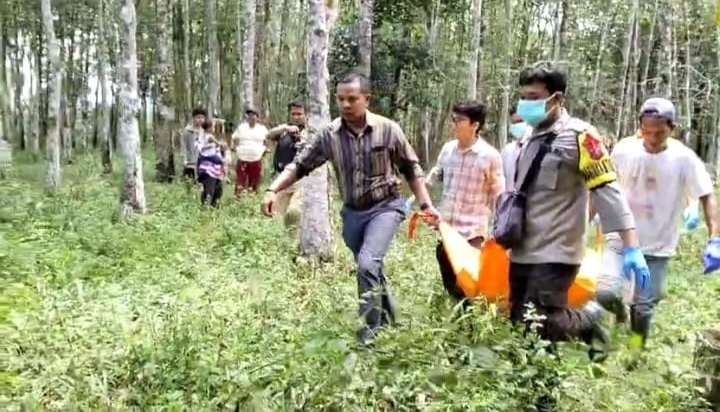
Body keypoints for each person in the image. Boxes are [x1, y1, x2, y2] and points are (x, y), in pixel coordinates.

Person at [261, 73, 440, 347]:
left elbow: (411, 168)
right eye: (341, 99)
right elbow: (300, 165)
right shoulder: (329, 135)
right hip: (353, 213)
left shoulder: (388, 129)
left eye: (352, 99)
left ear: (366, 99)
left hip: (386, 207)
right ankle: (389, 314)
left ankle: (371, 329)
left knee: (368, 262)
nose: (346, 104)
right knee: (370, 266)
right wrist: (273, 189)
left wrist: (426, 204)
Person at [501, 64, 651, 364]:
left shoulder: (581, 136)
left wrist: (631, 245)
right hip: (521, 248)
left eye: (535, 96)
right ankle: (536, 390)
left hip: (557, 250)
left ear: (556, 99)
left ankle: (590, 318)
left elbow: (608, 190)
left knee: (539, 321)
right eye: (523, 96)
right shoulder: (525, 137)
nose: (526, 103)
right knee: (520, 320)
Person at [594, 97, 718, 349]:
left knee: (644, 306)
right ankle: (619, 313)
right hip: (620, 238)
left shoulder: (684, 159)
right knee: (605, 293)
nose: (652, 138)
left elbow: (706, 195)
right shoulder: (624, 151)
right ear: (640, 127)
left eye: (659, 133)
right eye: (647, 131)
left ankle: (636, 346)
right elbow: (605, 184)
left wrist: (714, 238)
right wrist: (595, 213)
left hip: (657, 246)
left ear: (672, 129)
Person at [424, 100, 504, 303]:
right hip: (447, 228)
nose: (454, 124)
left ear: (475, 125)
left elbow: (497, 196)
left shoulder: (490, 156)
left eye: (460, 120)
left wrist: (500, 232)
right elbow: (438, 174)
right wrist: (422, 186)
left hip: (472, 232)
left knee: (470, 283)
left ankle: (472, 322)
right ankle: (457, 313)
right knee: (448, 274)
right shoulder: (448, 150)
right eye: (454, 119)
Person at [266, 101, 309, 232]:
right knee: (275, 215)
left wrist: (303, 140)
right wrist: (285, 128)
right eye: (293, 114)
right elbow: (269, 135)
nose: (296, 117)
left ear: (306, 115)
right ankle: (280, 244)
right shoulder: (284, 131)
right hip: (282, 178)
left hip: (302, 179)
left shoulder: (311, 132)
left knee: (294, 212)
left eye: (299, 114)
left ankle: (295, 243)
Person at [232, 106, 269, 196]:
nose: (251, 117)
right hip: (242, 158)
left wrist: (265, 150)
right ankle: (238, 200)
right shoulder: (242, 127)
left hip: (256, 158)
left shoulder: (262, 129)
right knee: (240, 181)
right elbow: (234, 138)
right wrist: (234, 147)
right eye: (249, 115)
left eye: (253, 115)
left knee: (255, 182)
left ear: (257, 117)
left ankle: (253, 198)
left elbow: (267, 141)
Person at [196, 120, 227, 207]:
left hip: (217, 170)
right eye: (213, 127)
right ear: (209, 128)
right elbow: (200, 148)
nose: (214, 129)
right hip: (209, 169)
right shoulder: (207, 137)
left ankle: (213, 207)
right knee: (209, 189)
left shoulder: (209, 137)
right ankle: (205, 206)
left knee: (218, 190)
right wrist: (217, 144)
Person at [501, 104, 527, 189]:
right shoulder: (507, 151)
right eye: (513, 123)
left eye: (520, 121)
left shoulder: (537, 149)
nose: (516, 125)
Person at [181, 108, 207, 184]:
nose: (200, 120)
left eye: (202, 118)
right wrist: (184, 159)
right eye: (198, 117)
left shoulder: (205, 131)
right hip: (191, 162)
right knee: (189, 183)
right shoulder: (188, 131)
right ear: (193, 118)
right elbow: (184, 146)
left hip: (203, 162)